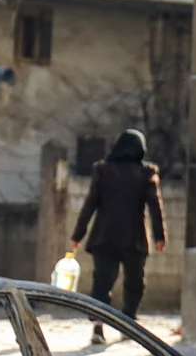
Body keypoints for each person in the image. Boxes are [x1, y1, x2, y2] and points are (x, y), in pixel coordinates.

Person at [71, 129, 166, 343]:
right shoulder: (146, 173)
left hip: (105, 236)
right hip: (134, 238)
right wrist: (160, 236)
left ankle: (98, 327)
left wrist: (78, 234)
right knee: (134, 283)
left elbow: (90, 203)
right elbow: (155, 206)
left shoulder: (102, 170)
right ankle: (128, 322)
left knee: (102, 282)